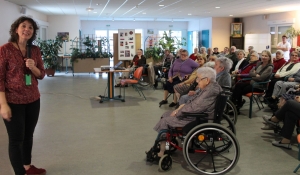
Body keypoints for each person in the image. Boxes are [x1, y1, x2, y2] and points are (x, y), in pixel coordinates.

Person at [0, 16, 46, 175]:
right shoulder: (5, 49)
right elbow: (0, 78)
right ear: (16, 29)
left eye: (31, 27)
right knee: (15, 140)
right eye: (23, 26)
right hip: (13, 101)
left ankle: (27, 167)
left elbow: (41, 74)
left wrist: (33, 68)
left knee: (28, 136)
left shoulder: (35, 50)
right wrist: (3, 104)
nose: (27, 29)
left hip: (33, 99)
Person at [153, 67, 222, 158]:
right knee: (166, 114)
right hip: (198, 115)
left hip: (198, 118)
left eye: (199, 79)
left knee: (165, 121)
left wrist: (178, 111)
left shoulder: (210, 91)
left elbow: (195, 107)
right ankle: (164, 144)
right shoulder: (210, 87)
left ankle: (162, 151)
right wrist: (181, 106)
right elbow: (194, 101)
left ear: (207, 80)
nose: (197, 81)